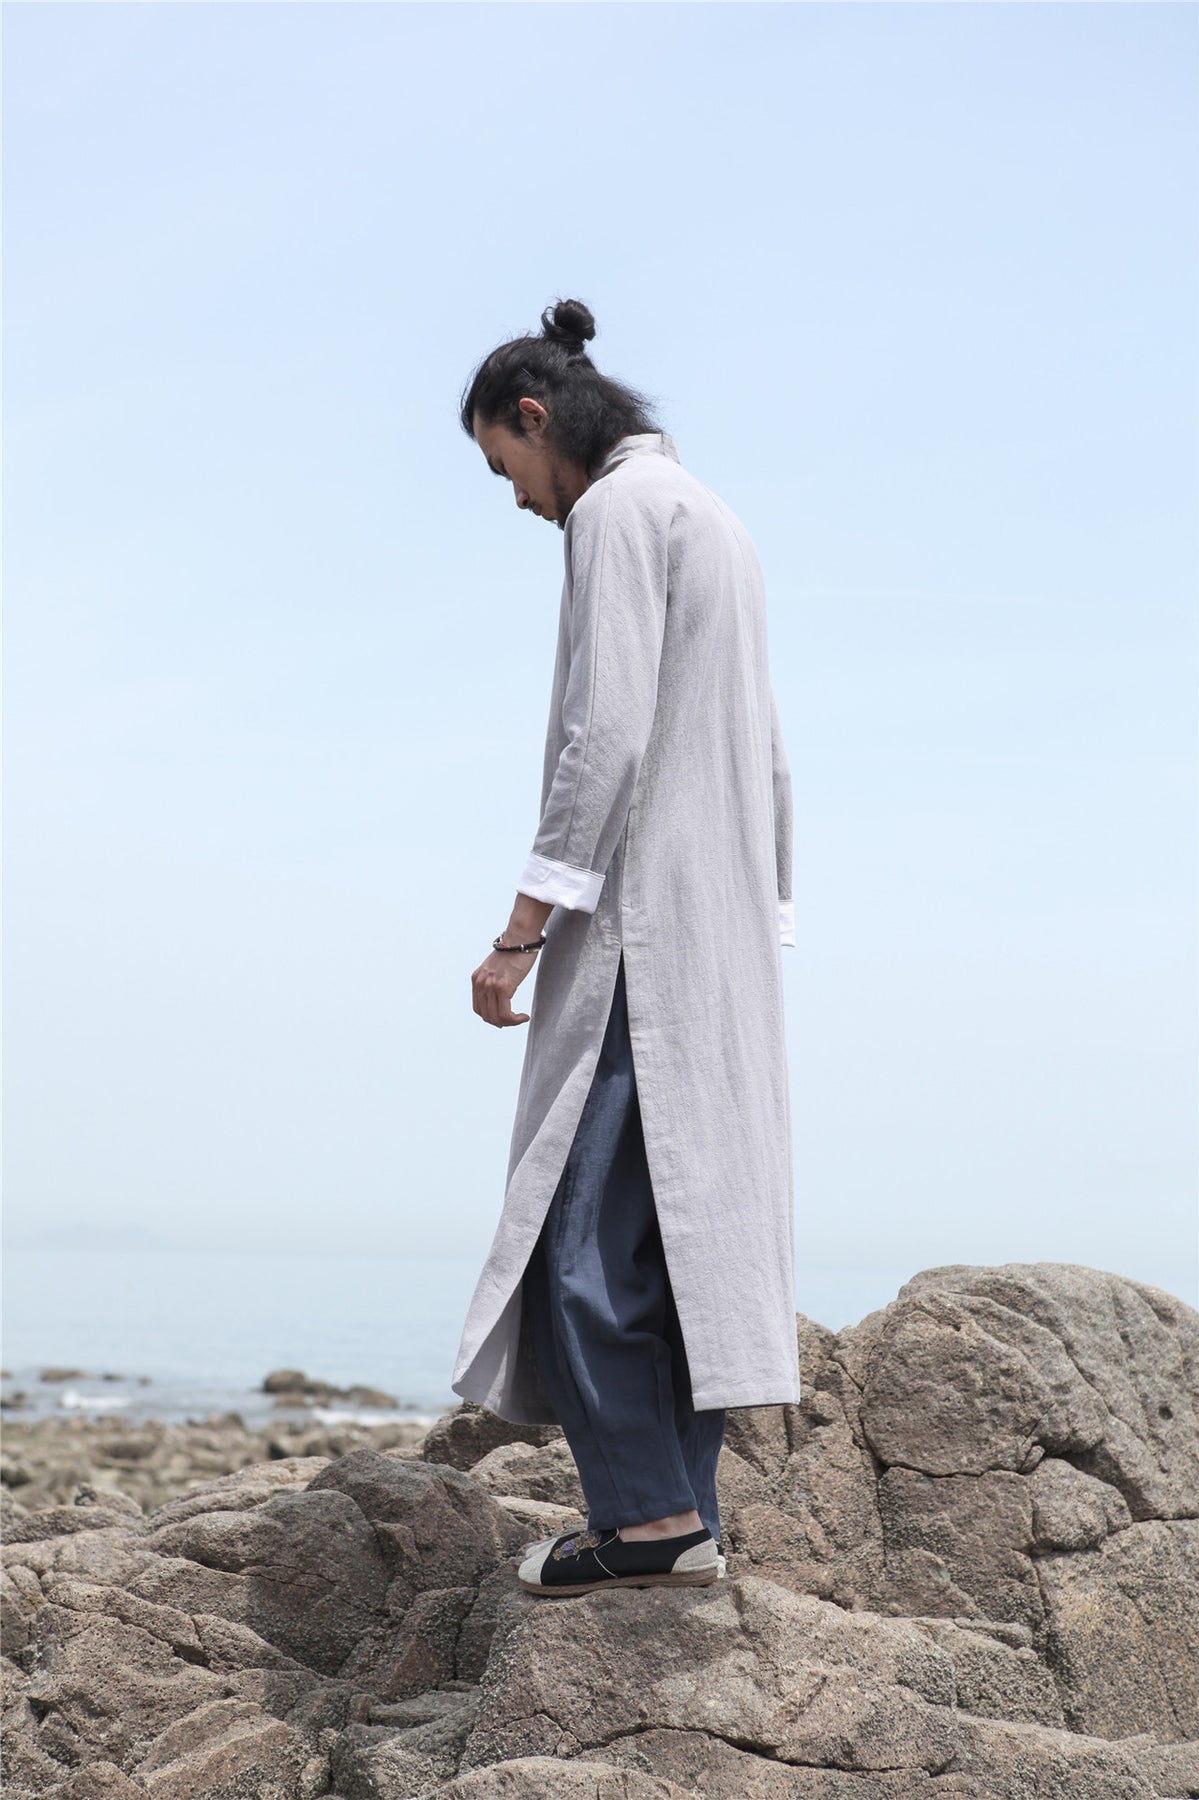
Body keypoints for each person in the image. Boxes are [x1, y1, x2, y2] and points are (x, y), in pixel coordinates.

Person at [453, 297, 800, 1598]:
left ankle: (646, 1523)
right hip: (719, 938)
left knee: (581, 1232)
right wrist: (765, 917)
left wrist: (521, 929)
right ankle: (680, 1518)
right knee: (682, 1240)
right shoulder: (718, 518)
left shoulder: (613, 512)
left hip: (639, 939)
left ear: (537, 418)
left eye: (506, 465)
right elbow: (771, 752)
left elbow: (603, 731)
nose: (517, 498)